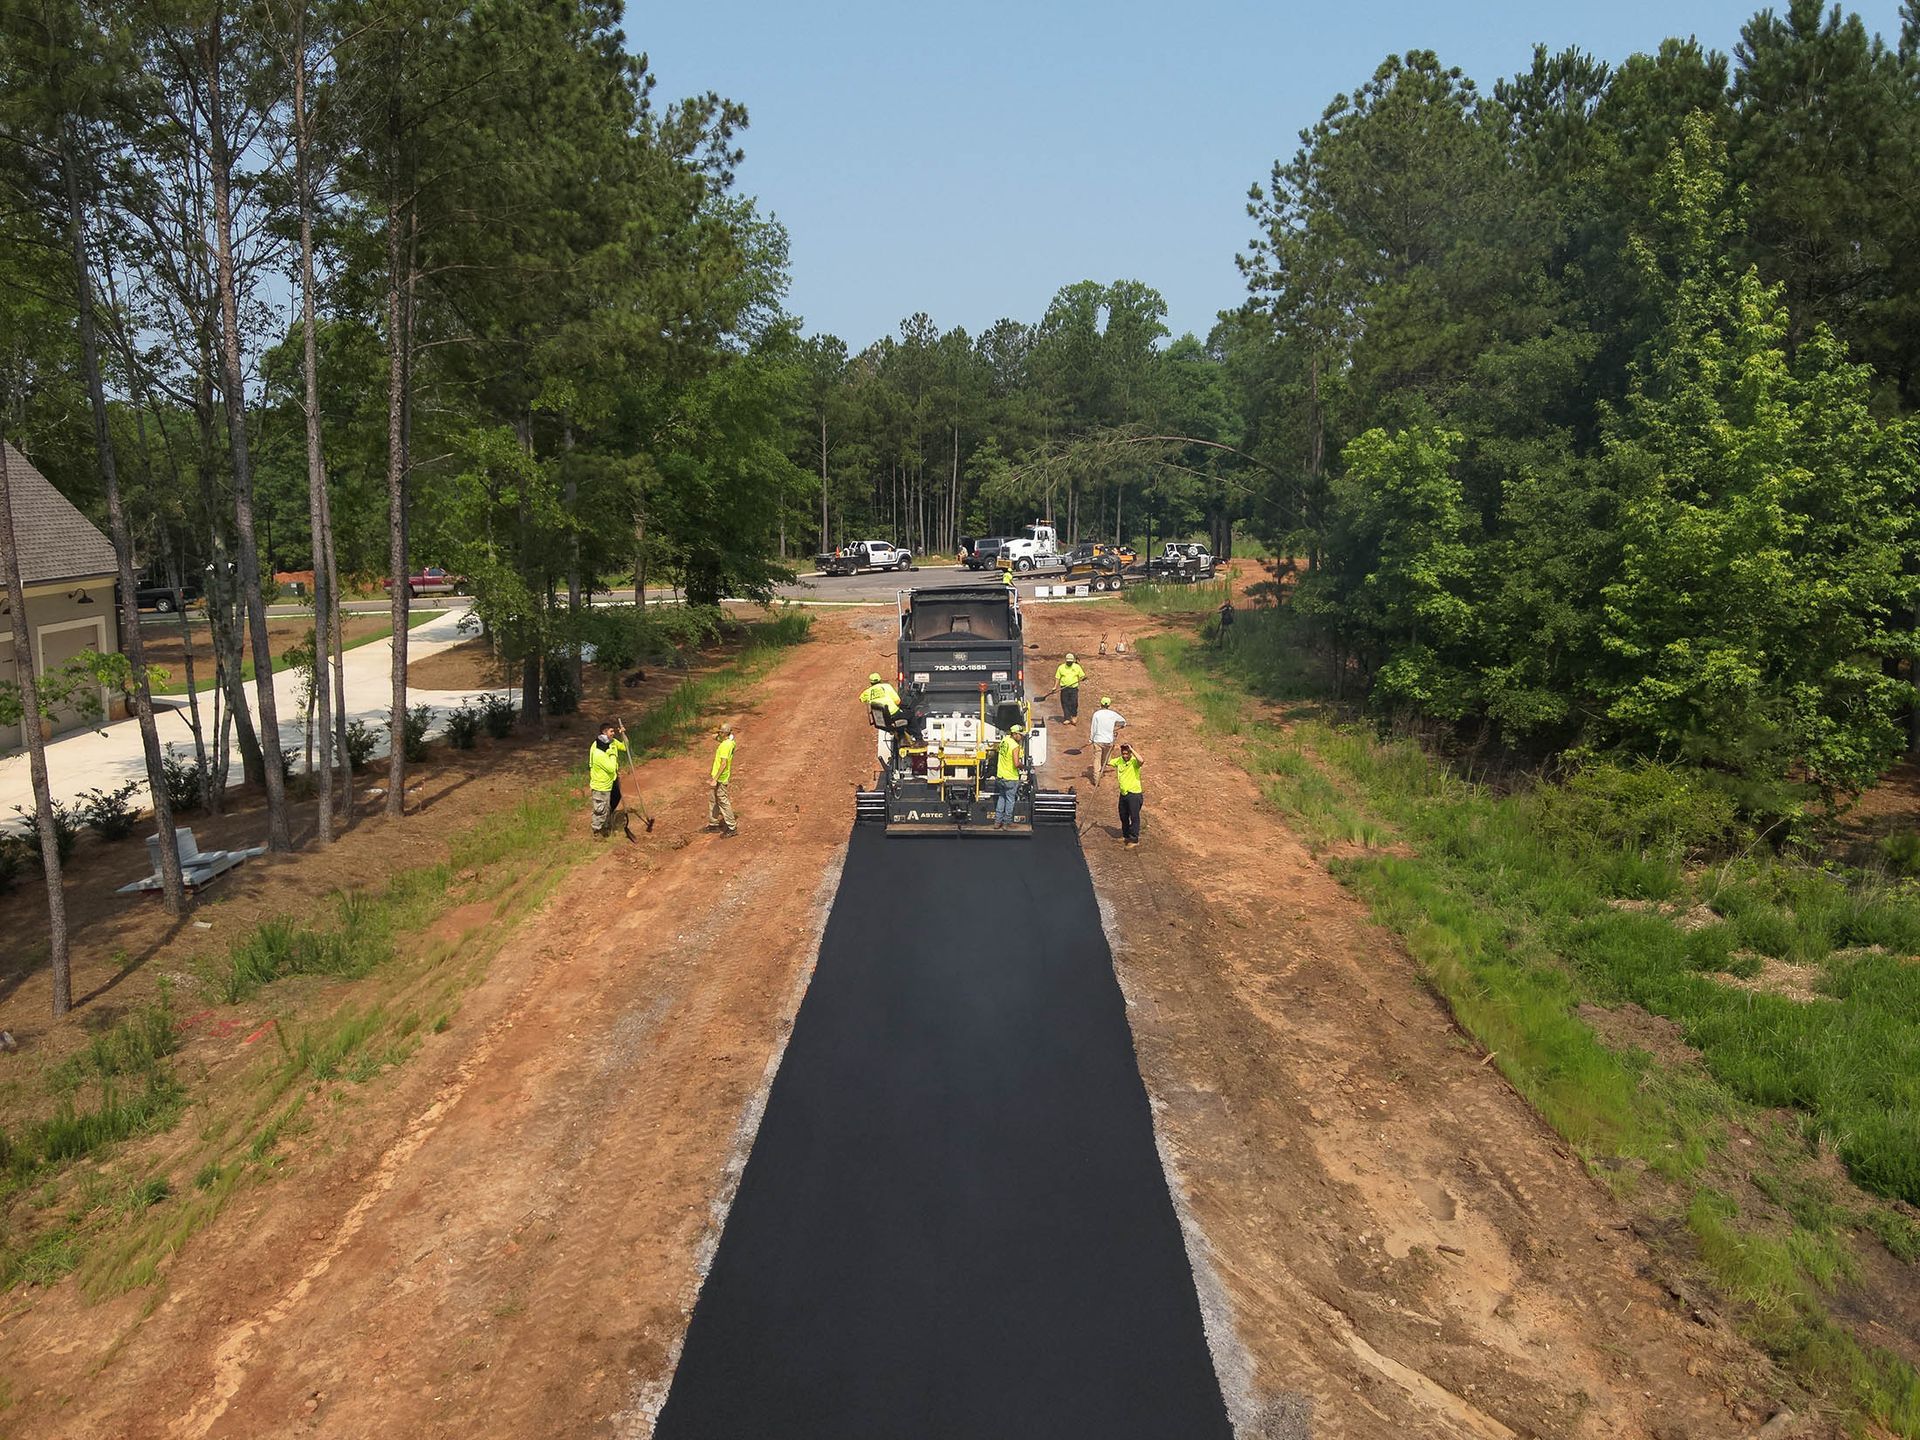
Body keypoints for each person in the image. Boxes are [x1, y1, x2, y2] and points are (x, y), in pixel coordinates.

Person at [588, 720, 629, 837]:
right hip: (601, 783)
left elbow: (625, 747)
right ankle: (598, 831)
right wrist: (611, 754)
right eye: (611, 732)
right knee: (601, 808)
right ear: (603, 733)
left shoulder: (612, 742)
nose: (613, 734)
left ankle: (607, 819)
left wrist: (623, 735)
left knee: (615, 797)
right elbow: (610, 767)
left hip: (612, 779)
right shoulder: (598, 751)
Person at [1109, 741, 1144, 847]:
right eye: (1123, 753)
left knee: (1134, 817)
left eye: (1127, 753)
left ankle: (1134, 839)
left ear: (1130, 753)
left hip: (1134, 794)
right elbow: (1107, 761)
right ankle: (1126, 835)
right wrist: (1110, 748)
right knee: (1123, 815)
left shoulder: (1134, 762)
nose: (1125, 756)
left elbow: (1141, 760)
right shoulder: (1119, 760)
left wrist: (1132, 750)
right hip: (1123, 794)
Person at [993, 723, 1025, 829]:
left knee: (1001, 798)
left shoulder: (1004, 740)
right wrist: (1024, 766)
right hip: (1010, 777)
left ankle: (997, 822)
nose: (1021, 737)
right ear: (1014, 734)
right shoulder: (1015, 746)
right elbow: (1016, 763)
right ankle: (1007, 822)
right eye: (1020, 735)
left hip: (1000, 776)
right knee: (1010, 800)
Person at [1088, 696, 1126, 786]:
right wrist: (1117, 727)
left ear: (1101, 704)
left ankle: (1096, 779)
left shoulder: (1096, 714)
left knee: (1097, 759)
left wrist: (1091, 739)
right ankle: (1101, 772)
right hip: (1108, 741)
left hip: (1098, 740)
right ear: (1109, 705)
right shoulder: (1113, 714)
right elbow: (1123, 722)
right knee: (1105, 759)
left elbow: (1093, 728)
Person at [709, 724, 738, 836]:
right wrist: (717, 736)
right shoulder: (729, 742)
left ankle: (732, 827)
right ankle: (713, 824)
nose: (719, 734)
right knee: (713, 799)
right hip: (718, 776)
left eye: (721, 732)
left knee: (722, 801)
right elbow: (717, 738)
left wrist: (715, 779)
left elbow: (724, 763)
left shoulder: (726, 746)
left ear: (725, 734)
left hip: (720, 777)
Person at [1054, 652, 1086, 725]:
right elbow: (1057, 677)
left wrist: (1083, 678)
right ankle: (1067, 718)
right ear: (1066, 660)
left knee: (1074, 703)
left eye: (1071, 661)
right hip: (1064, 688)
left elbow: (1082, 675)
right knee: (1065, 703)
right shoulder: (1061, 667)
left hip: (1073, 688)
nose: (1069, 663)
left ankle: (1074, 716)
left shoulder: (1077, 667)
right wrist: (1055, 686)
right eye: (1068, 661)